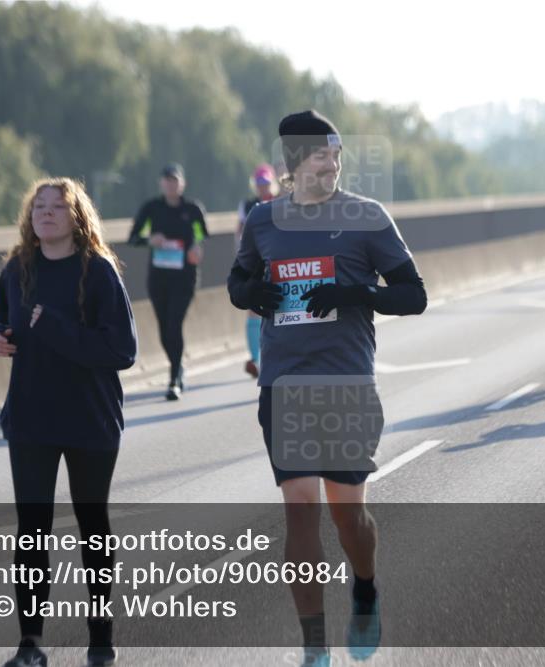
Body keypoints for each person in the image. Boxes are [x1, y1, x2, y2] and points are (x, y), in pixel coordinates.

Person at [228, 110, 426, 666]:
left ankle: (364, 588)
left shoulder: (366, 217)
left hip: (345, 384)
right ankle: (314, 646)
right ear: (294, 163)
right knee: (299, 510)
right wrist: (253, 295)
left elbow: (413, 294)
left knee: (348, 518)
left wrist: (354, 293)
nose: (333, 163)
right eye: (322, 154)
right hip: (284, 384)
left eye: (338, 153)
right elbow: (237, 280)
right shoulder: (265, 220)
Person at [0, 177, 138, 667]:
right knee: (31, 531)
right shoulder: (17, 268)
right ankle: (30, 645)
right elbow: (4, 318)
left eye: (56, 206)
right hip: (31, 417)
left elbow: (122, 351)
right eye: (38, 206)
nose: (45, 213)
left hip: (89, 419)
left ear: (77, 217)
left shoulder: (98, 274)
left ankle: (100, 639)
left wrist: (50, 325)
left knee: (92, 525)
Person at [128, 163, 209, 400]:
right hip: (159, 278)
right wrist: (150, 240)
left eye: (175, 180)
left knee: (174, 324)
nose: (171, 184)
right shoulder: (152, 209)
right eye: (167, 180)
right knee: (164, 330)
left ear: (182, 183)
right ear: (161, 183)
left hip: (184, 278)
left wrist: (196, 246)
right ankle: (178, 366)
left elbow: (201, 233)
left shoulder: (192, 209)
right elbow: (133, 237)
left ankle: (174, 378)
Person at [237, 163, 279, 378]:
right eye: (259, 183)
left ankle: (276, 354)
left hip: (279, 262)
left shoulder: (282, 202)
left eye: (266, 183)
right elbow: (240, 234)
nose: (263, 187)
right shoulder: (247, 205)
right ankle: (256, 358)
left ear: (273, 182)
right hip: (256, 263)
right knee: (253, 308)